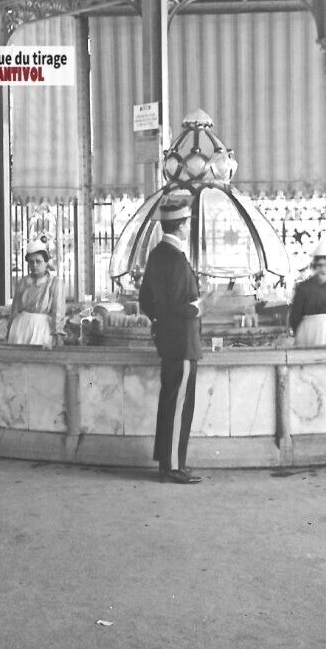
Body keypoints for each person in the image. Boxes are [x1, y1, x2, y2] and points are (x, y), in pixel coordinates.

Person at [138, 197, 203, 484]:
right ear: (181, 226)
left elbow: (146, 301)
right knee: (178, 405)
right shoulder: (176, 258)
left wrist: (159, 323)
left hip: (168, 339)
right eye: (188, 222)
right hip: (183, 341)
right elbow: (180, 304)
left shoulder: (156, 255)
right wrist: (201, 306)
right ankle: (173, 466)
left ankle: (168, 461)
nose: (190, 226)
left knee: (170, 402)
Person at [6, 242, 65, 347]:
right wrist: (9, 329)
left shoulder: (54, 283)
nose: (34, 265)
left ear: (46, 262)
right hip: (20, 328)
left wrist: (58, 334)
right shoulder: (23, 282)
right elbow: (15, 309)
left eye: (38, 261)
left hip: (42, 329)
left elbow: (58, 312)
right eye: (31, 262)